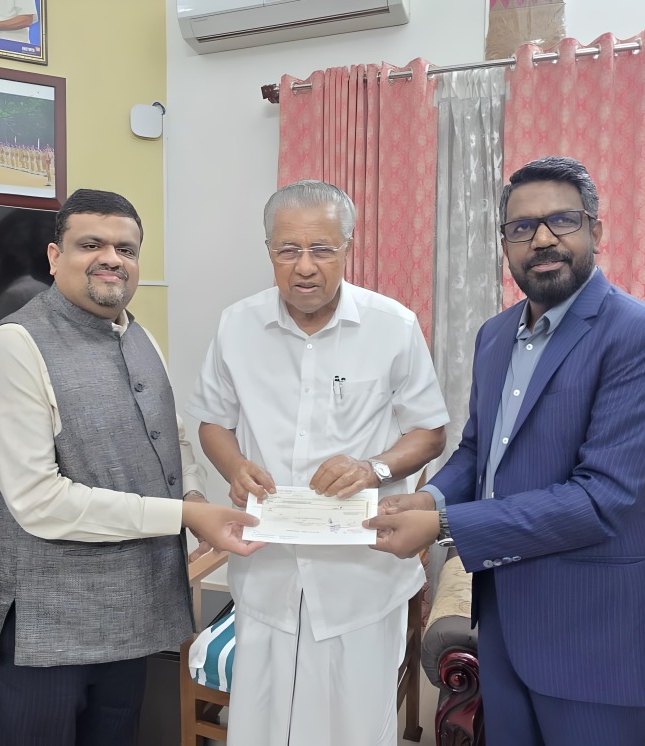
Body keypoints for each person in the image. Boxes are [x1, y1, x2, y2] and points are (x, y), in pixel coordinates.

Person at [365, 156, 645, 744]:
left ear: (596, 229)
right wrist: (432, 495)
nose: (541, 238)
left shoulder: (644, 337)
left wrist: (442, 523)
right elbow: (476, 451)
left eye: (561, 221)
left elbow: (603, 499)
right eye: (521, 227)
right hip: (504, 627)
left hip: (594, 636)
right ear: (505, 244)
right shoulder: (494, 336)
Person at [0, 188, 264, 746]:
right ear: (55, 256)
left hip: (131, 614)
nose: (111, 258)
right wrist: (183, 516)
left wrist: (195, 495)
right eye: (91, 244)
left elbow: (168, 434)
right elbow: (40, 503)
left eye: (126, 248)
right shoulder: (11, 347)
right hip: (44, 629)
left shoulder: (138, 334)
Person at [185, 180, 448, 745]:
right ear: (269, 251)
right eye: (289, 250)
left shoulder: (393, 326)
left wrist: (373, 467)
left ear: (347, 248)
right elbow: (212, 421)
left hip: (361, 579)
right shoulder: (237, 325)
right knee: (258, 727)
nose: (305, 267)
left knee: (353, 730)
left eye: (322, 249)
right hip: (268, 571)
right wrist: (234, 467)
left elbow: (430, 431)